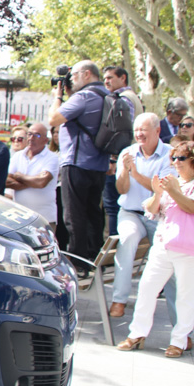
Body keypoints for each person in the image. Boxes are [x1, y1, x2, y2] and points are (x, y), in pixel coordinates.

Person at [117, 141, 194, 357]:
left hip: (191, 249)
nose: (175, 163)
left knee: (186, 295)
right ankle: (137, 334)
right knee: (146, 287)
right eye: (174, 158)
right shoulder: (171, 182)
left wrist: (173, 190)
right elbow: (153, 210)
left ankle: (179, 341)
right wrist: (157, 192)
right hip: (163, 245)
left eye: (181, 158)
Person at [108, 113, 177, 319]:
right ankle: (119, 300)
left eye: (143, 130)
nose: (139, 134)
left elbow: (162, 189)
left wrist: (136, 173)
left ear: (157, 131)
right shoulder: (126, 153)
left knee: (168, 259)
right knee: (127, 239)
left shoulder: (171, 155)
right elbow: (121, 190)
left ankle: (179, 324)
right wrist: (124, 172)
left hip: (160, 215)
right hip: (131, 213)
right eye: (136, 130)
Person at [48, 60, 111, 270]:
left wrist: (59, 95)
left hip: (77, 163)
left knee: (74, 217)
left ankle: (78, 264)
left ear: (86, 74)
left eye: (73, 76)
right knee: (93, 214)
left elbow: (53, 118)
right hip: (99, 165)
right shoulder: (108, 96)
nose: (71, 80)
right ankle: (95, 258)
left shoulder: (84, 97)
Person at [6, 122, 59, 228]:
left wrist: (20, 177)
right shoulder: (18, 156)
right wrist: (32, 181)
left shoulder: (52, 158)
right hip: (19, 217)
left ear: (45, 140)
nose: (31, 138)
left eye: (37, 135)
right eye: (29, 134)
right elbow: (6, 180)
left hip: (44, 218)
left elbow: (41, 182)